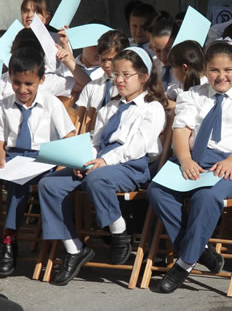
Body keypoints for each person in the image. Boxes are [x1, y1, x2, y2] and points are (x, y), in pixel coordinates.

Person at [147, 41, 232, 293]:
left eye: (228, 70)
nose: (221, 76)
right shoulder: (193, 95)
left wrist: (231, 161)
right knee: (157, 190)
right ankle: (200, 250)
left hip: (230, 164)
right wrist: (185, 160)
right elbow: (181, 131)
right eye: (214, 70)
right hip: (193, 159)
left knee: (206, 196)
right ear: (205, 69)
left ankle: (184, 263)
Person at [38, 47, 167, 286]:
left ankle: (119, 232)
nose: (119, 80)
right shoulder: (110, 107)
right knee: (49, 184)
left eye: (126, 75)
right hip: (101, 162)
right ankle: (74, 248)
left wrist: (103, 162)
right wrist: (83, 160)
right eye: (115, 75)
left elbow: (138, 145)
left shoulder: (152, 107)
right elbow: (96, 141)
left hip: (132, 164)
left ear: (144, 76)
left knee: (96, 179)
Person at [0, 47, 75, 276]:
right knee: (15, 177)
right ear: (9, 78)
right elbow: (1, 137)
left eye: (28, 84)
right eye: (16, 83)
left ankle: (8, 241)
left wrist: (61, 162)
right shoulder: (4, 104)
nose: (22, 89)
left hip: (43, 159)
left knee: (17, 183)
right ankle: (9, 240)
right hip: (14, 157)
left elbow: (69, 136)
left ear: (41, 80)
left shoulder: (51, 103)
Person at [76, 30, 130, 110]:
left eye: (111, 60)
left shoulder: (130, 88)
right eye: (103, 60)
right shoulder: (91, 87)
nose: (106, 65)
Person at [166, 40, 206, 109]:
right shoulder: (179, 87)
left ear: (184, 68)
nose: (173, 72)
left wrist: (174, 105)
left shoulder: (207, 88)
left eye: (174, 67)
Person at [149, 18, 180, 91]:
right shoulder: (151, 65)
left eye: (168, 50)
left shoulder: (185, 69)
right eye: (158, 51)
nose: (163, 56)